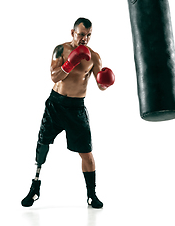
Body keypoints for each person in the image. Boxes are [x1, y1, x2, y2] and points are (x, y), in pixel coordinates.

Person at [21, 17, 115, 209]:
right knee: (42, 144)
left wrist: (105, 82)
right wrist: (70, 63)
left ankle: (91, 195)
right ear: (72, 33)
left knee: (87, 154)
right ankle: (34, 188)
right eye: (81, 34)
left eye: (88, 35)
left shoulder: (94, 57)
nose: (85, 39)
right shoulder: (60, 50)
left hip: (76, 109)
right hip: (55, 105)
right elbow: (54, 76)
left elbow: (100, 86)